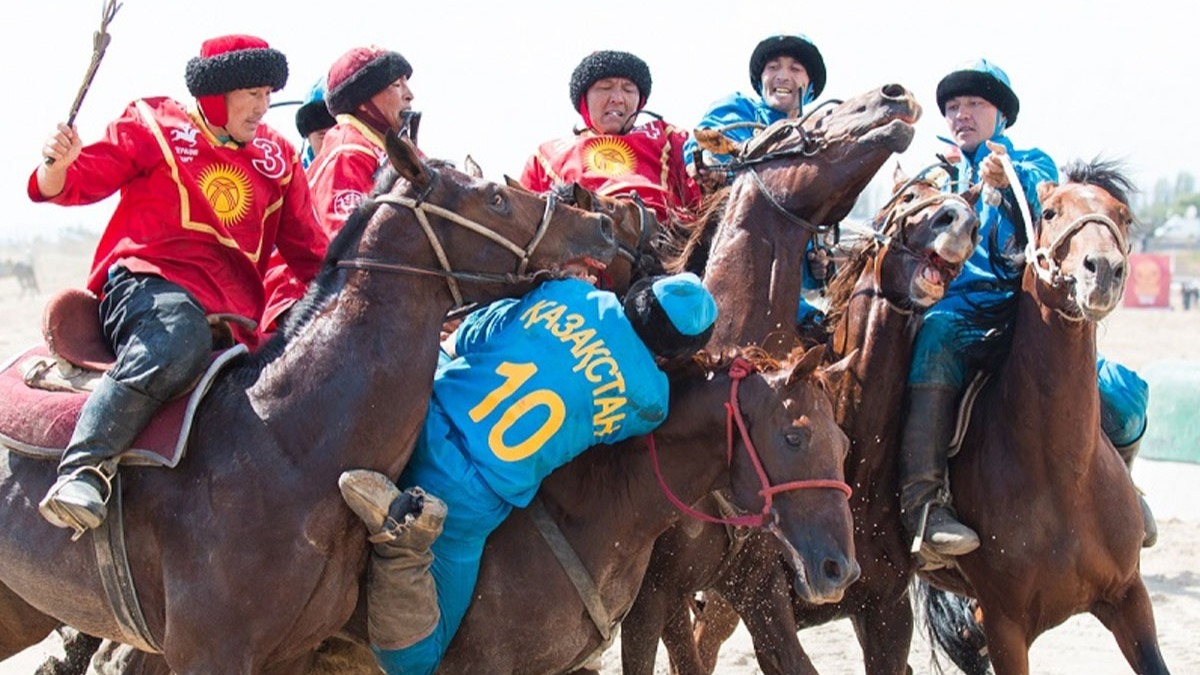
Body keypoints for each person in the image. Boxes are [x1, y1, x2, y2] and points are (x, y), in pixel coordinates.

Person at [337, 271, 718, 675]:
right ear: (676, 354)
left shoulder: (569, 291)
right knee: (416, 664)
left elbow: (469, 335)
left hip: (420, 417)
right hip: (462, 496)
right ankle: (402, 546)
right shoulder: (652, 400)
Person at [31, 34, 329, 536]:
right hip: (145, 289)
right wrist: (56, 166)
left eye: (267, 93)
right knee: (178, 336)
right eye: (252, 93)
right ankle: (83, 467)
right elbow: (78, 180)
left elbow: (314, 256)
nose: (264, 106)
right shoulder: (153, 124)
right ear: (218, 93)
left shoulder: (277, 161)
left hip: (235, 320)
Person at [898, 58, 1154, 558]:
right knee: (936, 335)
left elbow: (1043, 198)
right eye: (953, 107)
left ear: (1001, 116)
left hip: (1023, 321)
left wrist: (1004, 173)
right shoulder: (939, 178)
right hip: (958, 321)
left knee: (1125, 396)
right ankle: (924, 503)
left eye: (975, 104)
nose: (962, 114)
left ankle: (1123, 485)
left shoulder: (1030, 161)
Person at [260, 45, 416, 333]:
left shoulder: (389, 149)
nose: (409, 95)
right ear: (366, 101)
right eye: (396, 85)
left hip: (354, 297)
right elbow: (347, 250)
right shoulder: (348, 153)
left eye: (407, 83)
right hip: (304, 304)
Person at [683, 34, 832, 333]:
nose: (782, 76)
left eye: (795, 69)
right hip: (719, 271)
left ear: (811, 85)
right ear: (760, 79)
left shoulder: (822, 138)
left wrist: (820, 270)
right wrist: (710, 166)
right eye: (773, 67)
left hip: (790, 301)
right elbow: (708, 149)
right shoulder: (737, 109)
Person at [519, 50, 700, 225]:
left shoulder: (668, 136)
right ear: (584, 100)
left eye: (628, 90)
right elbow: (523, 224)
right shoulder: (547, 155)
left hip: (661, 239)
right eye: (605, 87)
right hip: (584, 241)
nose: (618, 98)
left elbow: (701, 192)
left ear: (640, 101)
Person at [294, 76, 336, 168]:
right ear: (308, 138)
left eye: (338, 135)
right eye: (322, 136)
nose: (331, 144)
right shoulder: (297, 178)